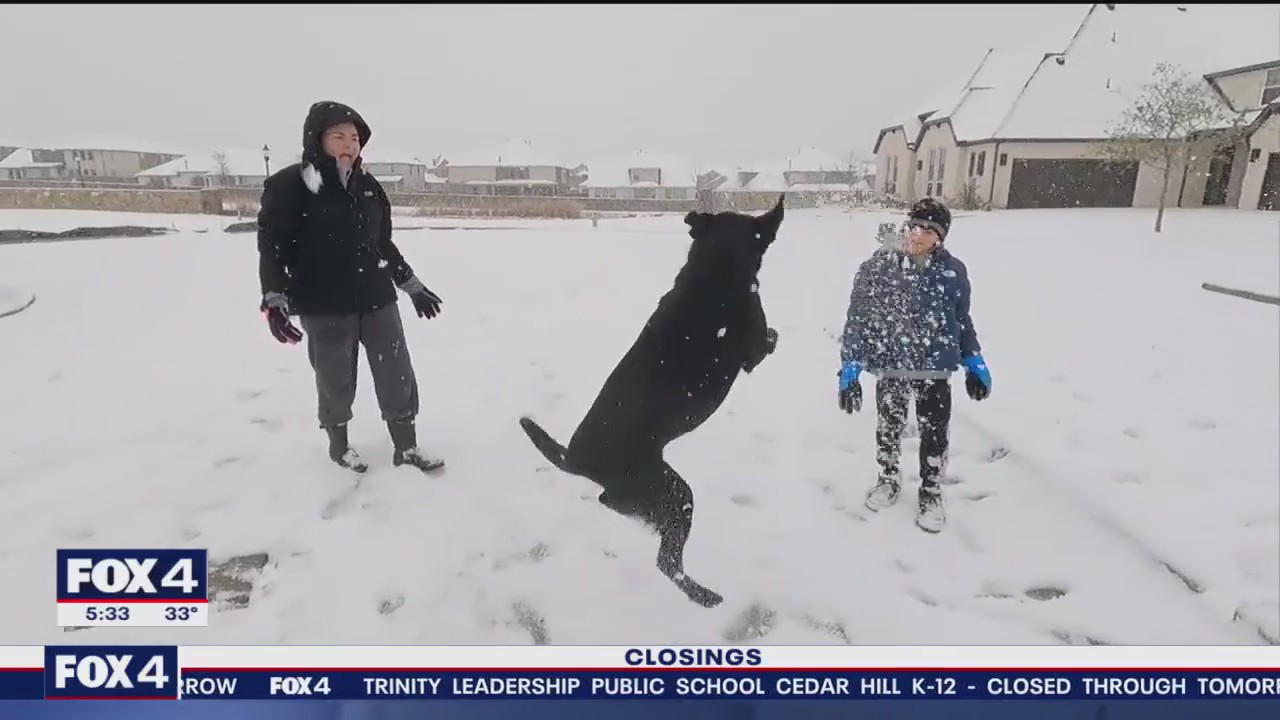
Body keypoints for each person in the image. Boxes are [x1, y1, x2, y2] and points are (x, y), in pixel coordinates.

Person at [257, 100, 446, 474]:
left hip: (376, 296)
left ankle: (405, 448)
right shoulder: (291, 185)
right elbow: (273, 246)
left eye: (355, 137)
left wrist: (412, 286)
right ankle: (339, 447)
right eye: (338, 135)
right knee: (334, 376)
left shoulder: (368, 187)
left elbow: (383, 244)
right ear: (317, 139)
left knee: (397, 372)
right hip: (323, 301)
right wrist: (274, 300)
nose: (349, 144)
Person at [836, 198, 991, 532]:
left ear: (940, 238)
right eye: (913, 226)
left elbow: (960, 320)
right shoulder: (876, 268)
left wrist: (973, 361)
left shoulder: (952, 271)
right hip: (891, 363)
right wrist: (850, 368)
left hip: (934, 368)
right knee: (888, 427)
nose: (916, 235)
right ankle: (888, 477)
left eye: (928, 230)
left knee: (934, 433)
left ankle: (931, 490)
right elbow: (858, 320)